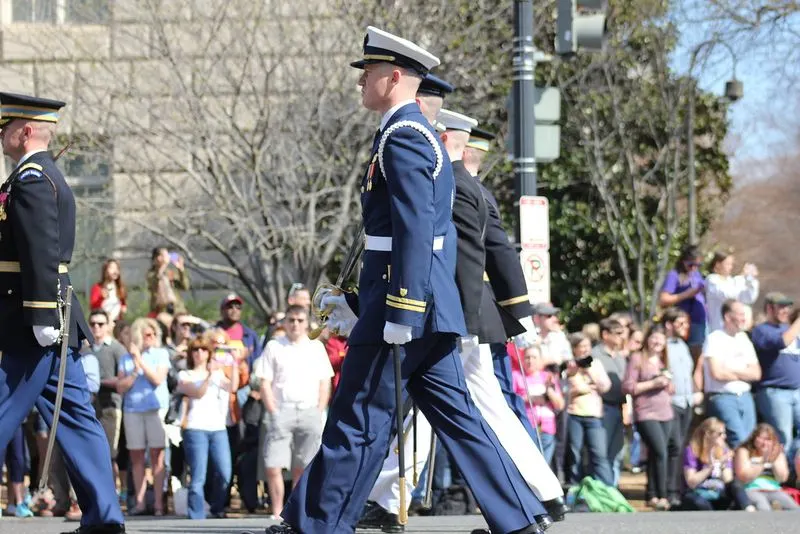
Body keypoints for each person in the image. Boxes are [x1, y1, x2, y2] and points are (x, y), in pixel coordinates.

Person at [267, 26, 548, 534]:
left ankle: (315, 523)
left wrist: (400, 309)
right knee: (461, 421)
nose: (361, 83)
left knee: (357, 417)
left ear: (393, 77)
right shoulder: (411, 133)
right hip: (420, 303)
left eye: (368, 74)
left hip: (406, 307)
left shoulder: (404, 137)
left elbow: (417, 231)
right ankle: (520, 519)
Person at [0, 92, 124, 534]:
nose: (1, 134)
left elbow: (41, 255)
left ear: (26, 130)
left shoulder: (32, 179)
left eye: (5, 126)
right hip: (46, 320)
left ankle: (105, 517)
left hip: (29, 322)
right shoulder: (33, 176)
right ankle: (105, 517)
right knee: (75, 416)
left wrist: (40, 317)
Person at [255, 305, 333, 519]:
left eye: (299, 320)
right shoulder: (274, 346)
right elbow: (265, 383)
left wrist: (318, 411)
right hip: (282, 410)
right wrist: (273, 411)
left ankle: (296, 512)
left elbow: (325, 382)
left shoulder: (316, 347)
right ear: (284, 322)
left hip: (309, 410)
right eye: (291, 320)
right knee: (273, 464)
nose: (295, 324)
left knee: (303, 465)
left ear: (307, 323)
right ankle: (277, 510)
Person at [177, 337, 237, 519]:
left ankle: (217, 507)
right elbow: (197, 393)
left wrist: (234, 363)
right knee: (198, 476)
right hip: (195, 428)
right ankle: (196, 515)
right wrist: (209, 375)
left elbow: (233, 387)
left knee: (225, 473)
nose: (199, 354)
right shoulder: (185, 375)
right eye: (195, 350)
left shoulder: (219, 374)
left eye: (203, 350)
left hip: (218, 428)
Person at [117, 318, 171, 516]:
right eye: (147, 334)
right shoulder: (126, 358)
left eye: (154, 334)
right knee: (136, 456)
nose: (151, 338)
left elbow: (157, 379)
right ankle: (139, 503)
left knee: (158, 457)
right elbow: (120, 386)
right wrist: (134, 371)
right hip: (133, 409)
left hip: (156, 409)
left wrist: (139, 360)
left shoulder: (161, 354)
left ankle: (158, 503)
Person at [622, 324, 675, 510]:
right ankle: (663, 495)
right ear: (647, 340)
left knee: (655, 454)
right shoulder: (637, 358)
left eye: (661, 339)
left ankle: (651, 494)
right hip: (646, 412)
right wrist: (654, 383)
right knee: (661, 452)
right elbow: (628, 387)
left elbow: (670, 388)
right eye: (654, 338)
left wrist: (667, 384)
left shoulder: (663, 361)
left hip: (665, 412)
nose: (657, 342)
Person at [703, 299, 761, 448]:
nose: (744, 318)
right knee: (739, 439)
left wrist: (730, 371)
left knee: (749, 440)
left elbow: (756, 373)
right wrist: (743, 374)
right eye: (740, 314)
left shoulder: (744, 339)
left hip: (745, 397)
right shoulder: (714, 339)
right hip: (723, 397)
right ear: (728, 317)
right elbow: (717, 373)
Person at [750, 293, 800, 464]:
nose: (786, 310)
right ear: (770, 308)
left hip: (796, 390)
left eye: (788, 307)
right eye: (782, 307)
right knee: (783, 436)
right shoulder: (762, 330)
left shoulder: (792, 331)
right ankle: (782, 476)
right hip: (775, 392)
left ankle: (794, 472)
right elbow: (782, 342)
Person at [85, 309, 128, 496]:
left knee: (110, 453)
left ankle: (113, 491)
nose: (96, 327)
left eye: (100, 324)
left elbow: (123, 380)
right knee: (92, 452)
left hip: (111, 406)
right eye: (93, 323)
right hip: (90, 406)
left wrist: (96, 383)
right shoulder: (84, 349)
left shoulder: (117, 348)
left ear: (108, 325)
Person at [565, 333, 613, 486]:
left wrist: (590, 373)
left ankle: (607, 488)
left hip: (594, 415)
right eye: (582, 346)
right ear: (574, 349)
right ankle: (575, 488)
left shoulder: (596, 364)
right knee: (575, 453)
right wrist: (585, 388)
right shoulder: (569, 366)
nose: (585, 350)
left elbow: (605, 386)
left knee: (599, 453)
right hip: (574, 414)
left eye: (587, 346)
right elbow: (565, 390)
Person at [662, 308, 696, 507]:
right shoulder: (663, 345)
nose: (685, 327)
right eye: (680, 323)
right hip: (671, 402)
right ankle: (670, 490)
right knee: (673, 445)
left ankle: (678, 489)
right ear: (669, 325)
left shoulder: (682, 345)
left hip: (687, 401)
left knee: (681, 445)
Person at [681, 417, 753, 511]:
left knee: (736, 484)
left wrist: (723, 464)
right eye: (720, 434)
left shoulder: (723, 450)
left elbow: (728, 480)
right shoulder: (692, 450)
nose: (724, 436)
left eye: (724, 433)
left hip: (718, 492)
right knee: (699, 503)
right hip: (699, 493)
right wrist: (709, 467)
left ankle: (749, 509)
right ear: (708, 434)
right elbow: (691, 482)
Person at [513, 344, 564, 463]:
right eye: (527, 357)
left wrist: (549, 391)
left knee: (545, 464)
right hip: (527, 425)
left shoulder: (548, 377)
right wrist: (529, 398)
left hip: (547, 426)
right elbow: (510, 401)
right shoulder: (516, 376)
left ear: (541, 360)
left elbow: (560, 404)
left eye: (534, 357)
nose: (530, 361)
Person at [734, 423, 797, 511]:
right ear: (754, 438)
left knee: (795, 509)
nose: (764, 443)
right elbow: (744, 476)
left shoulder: (777, 454)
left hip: (774, 490)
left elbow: (782, 478)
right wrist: (763, 461)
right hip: (752, 489)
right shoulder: (744, 451)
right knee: (764, 509)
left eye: (768, 439)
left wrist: (774, 459)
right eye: (761, 438)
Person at [659, 245, 707, 360]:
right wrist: (687, 294)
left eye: (698, 265)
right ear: (683, 261)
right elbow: (663, 299)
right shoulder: (674, 275)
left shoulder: (696, 274)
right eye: (691, 265)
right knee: (689, 356)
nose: (694, 268)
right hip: (685, 323)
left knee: (699, 355)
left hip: (700, 320)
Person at [704, 250, 759, 333]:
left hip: (735, 331)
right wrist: (741, 277)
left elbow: (748, 298)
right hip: (719, 330)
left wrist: (751, 280)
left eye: (731, 264)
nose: (731, 267)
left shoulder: (732, 281)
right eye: (728, 264)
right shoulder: (712, 280)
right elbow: (728, 295)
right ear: (718, 264)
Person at [146, 247, 189, 316]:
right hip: (160, 310)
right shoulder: (151, 274)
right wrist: (164, 265)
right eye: (165, 255)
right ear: (158, 258)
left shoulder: (169, 272)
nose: (168, 257)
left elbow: (185, 286)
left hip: (176, 308)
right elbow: (155, 281)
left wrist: (181, 271)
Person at [89, 259, 128, 323]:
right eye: (112, 268)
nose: (115, 271)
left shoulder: (120, 287)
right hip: (103, 323)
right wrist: (101, 298)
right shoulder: (97, 288)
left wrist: (123, 308)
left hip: (117, 322)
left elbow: (123, 304)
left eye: (117, 268)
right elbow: (93, 308)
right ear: (105, 270)